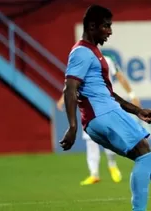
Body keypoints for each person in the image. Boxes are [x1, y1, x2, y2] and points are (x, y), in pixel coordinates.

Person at [59, 5, 151, 211]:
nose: (109, 31)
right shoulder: (81, 52)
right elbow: (69, 88)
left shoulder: (93, 52)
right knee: (145, 155)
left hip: (99, 117)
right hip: (105, 115)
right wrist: (72, 126)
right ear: (92, 26)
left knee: (146, 160)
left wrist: (137, 110)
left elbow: (107, 93)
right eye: (106, 26)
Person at [56, 54, 141, 186]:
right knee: (90, 141)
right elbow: (73, 83)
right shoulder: (81, 62)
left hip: (105, 104)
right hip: (88, 106)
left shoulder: (107, 60)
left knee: (108, 137)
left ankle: (112, 165)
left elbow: (120, 76)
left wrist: (132, 94)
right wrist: (63, 98)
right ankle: (94, 174)